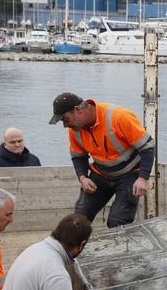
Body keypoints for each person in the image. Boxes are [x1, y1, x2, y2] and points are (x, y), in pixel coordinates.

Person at [48, 92, 156, 228]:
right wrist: (82, 178)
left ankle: (120, 248)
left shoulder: (119, 117)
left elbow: (148, 147)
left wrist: (143, 178)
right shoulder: (75, 129)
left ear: (77, 110)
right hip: (101, 175)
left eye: (65, 119)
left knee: (117, 222)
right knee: (78, 220)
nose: (65, 125)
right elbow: (78, 156)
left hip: (130, 175)